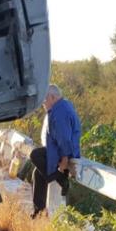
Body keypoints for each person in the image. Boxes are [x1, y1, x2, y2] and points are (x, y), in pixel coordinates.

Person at [29, 84, 81, 218]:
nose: (42, 104)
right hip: (57, 151)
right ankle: (38, 211)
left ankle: (60, 178)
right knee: (38, 173)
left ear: (52, 97)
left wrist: (64, 159)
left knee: (35, 155)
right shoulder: (61, 107)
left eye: (44, 100)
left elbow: (64, 137)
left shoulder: (60, 111)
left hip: (63, 153)